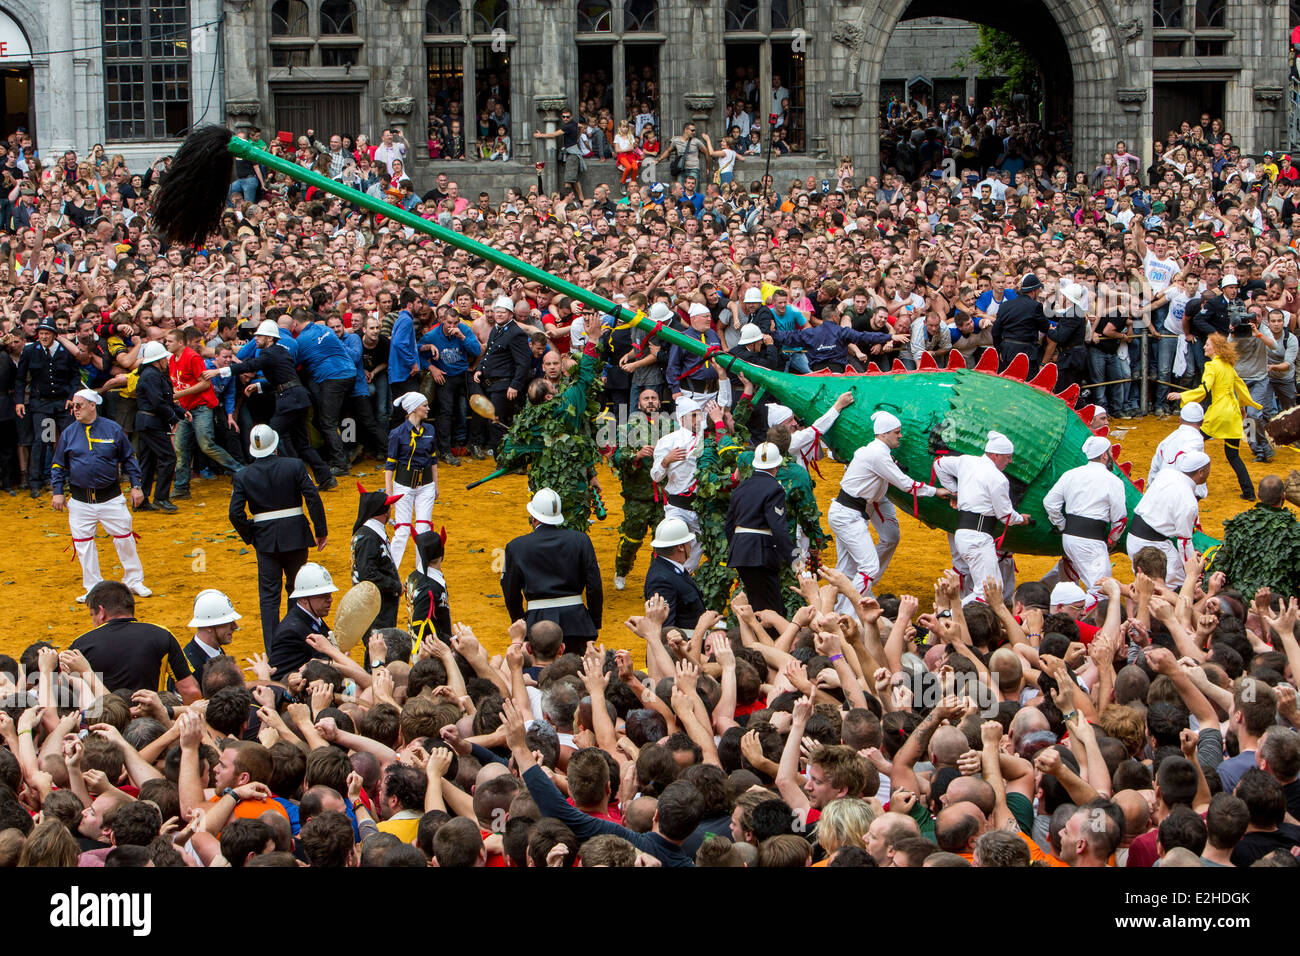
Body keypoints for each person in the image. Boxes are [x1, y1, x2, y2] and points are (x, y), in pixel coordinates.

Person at [828, 410, 948, 610]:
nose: (900, 436)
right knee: (868, 567)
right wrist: (935, 491)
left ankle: (836, 608)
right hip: (848, 515)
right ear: (883, 434)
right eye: (897, 432)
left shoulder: (876, 452)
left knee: (848, 568)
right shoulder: (877, 455)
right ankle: (847, 613)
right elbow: (906, 484)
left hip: (848, 512)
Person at [229, 424, 329, 654]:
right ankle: (299, 641)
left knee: (269, 597)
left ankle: (274, 649)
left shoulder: (243, 475)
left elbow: (235, 513)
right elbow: (312, 497)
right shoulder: (294, 465)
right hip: (296, 537)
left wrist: (251, 535)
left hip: (265, 541)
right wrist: (320, 529)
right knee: (298, 590)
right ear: (275, 446)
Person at [49, 388, 148, 602]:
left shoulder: (113, 429)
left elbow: (129, 458)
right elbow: (58, 465)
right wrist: (57, 492)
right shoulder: (68, 433)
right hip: (80, 501)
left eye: (79, 405)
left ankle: (134, 580)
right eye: (73, 406)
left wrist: (136, 485)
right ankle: (93, 587)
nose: (74, 409)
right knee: (83, 545)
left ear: (92, 406)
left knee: (125, 539)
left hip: (111, 498)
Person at [235, 320, 337, 491]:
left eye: (259, 335)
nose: (256, 338)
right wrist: (259, 386)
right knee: (302, 444)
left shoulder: (268, 354)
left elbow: (250, 365)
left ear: (268, 338)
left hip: (289, 400)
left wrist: (222, 371)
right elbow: (282, 380)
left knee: (271, 436)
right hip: (298, 398)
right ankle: (325, 476)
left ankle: (289, 477)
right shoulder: (279, 351)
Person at [932, 431, 1029, 604]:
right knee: (987, 591)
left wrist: (955, 491)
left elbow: (939, 464)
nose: (1010, 461)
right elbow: (1006, 516)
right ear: (995, 455)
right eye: (1008, 457)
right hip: (978, 538)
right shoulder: (998, 479)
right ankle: (947, 615)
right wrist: (1021, 519)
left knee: (992, 587)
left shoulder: (966, 461)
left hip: (965, 535)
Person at [500, 488, 603, 648]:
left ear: (533, 517)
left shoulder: (515, 547)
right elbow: (594, 585)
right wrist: (594, 620)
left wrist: (519, 621)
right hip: (577, 623)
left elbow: (510, 591)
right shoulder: (581, 540)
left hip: (536, 624)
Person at [69, 581, 200, 702]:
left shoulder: (80, 645)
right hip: (151, 723)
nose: (93, 621)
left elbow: (65, 699)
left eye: (92, 615)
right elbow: (190, 691)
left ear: (101, 612)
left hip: (102, 724)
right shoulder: (162, 635)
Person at [1169, 332, 1262, 500]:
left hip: (1218, 414)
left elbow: (1204, 389)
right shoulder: (1228, 366)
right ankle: (1249, 492)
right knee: (1233, 455)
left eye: (1208, 345)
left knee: (1189, 441)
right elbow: (1240, 388)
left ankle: (1179, 480)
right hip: (1232, 414)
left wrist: (1182, 396)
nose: (1204, 347)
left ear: (1216, 348)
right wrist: (1243, 409)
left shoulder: (1212, 367)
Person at [1042, 435, 1128, 601]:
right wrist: (1114, 539)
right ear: (1104, 455)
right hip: (1091, 542)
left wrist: (1062, 525)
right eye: (1110, 452)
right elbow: (1120, 517)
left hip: (1069, 539)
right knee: (1101, 592)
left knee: (1071, 586)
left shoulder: (1071, 474)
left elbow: (1050, 503)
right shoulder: (1113, 481)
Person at [725, 442, 797, 616]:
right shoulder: (774, 489)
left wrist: (739, 547)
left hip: (741, 552)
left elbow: (729, 526)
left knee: (758, 603)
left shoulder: (741, 487)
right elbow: (779, 529)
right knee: (770, 610)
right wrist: (796, 560)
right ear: (777, 466)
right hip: (760, 554)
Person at [611, 388, 670, 591]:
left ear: (659, 403)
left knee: (662, 541)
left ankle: (658, 579)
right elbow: (617, 458)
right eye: (646, 398)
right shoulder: (626, 428)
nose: (651, 401)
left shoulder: (670, 428)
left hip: (663, 497)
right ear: (638, 404)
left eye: (654, 398)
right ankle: (621, 571)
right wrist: (636, 455)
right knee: (631, 540)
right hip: (637, 496)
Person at [1125, 450, 1210, 587]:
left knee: (1145, 584)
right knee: (1177, 585)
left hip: (1134, 540)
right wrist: (1194, 572)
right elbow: (1183, 542)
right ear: (1201, 472)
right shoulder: (1189, 501)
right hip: (1154, 547)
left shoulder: (1167, 473)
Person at [14, 317, 79, 497]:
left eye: (46, 333)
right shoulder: (30, 352)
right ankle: (36, 480)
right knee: (43, 440)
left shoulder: (65, 351)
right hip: (43, 405)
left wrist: (71, 396)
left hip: (62, 403)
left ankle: (72, 478)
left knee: (68, 439)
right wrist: (19, 401)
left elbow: (75, 377)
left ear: (54, 335)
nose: (43, 337)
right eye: (41, 333)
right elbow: (20, 378)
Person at [1211, 474, 1300, 600]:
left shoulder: (1240, 523)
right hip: (1276, 602)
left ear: (1258, 495)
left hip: (1238, 600)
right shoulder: (1295, 531)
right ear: (1284, 496)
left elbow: (1220, 565)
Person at [651, 397, 708, 571]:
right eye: (693, 416)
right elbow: (656, 476)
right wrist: (666, 461)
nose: (698, 419)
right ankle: (662, 578)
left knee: (697, 549)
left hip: (701, 508)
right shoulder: (668, 441)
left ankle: (684, 579)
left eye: (699, 415)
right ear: (682, 419)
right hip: (677, 507)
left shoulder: (707, 438)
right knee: (671, 544)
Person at [385, 391, 438, 572]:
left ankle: (422, 570)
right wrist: (388, 491)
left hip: (426, 486)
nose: (428, 408)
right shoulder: (397, 433)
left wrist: (436, 486)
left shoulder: (430, 430)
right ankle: (391, 571)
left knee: (423, 529)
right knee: (402, 531)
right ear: (415, 409)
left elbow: (433, 460)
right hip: (404, 485)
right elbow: (390, 464)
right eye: (424, 405)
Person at [133, 339, 186, 513]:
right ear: (158, 360)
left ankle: (142, 499)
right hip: (152, 423)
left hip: (148, 422)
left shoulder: (150, 374)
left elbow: (164, 401)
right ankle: (161, 498)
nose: (166, 361)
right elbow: (158, 402)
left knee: (147, 462)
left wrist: (180, 411)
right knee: (168, 458)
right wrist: (174, 418)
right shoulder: (152, 375)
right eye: (164, 359)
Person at [475, 295, 532, 448]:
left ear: (510, 314)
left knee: (498, 422)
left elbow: (524, 362)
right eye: (497, 311)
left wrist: (515, 384)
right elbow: (489, 353)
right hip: (492, 384)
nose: (499, 314)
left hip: (504, 386)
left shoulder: (516, 333)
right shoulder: (496, 330)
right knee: (494, 422)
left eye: (503, 312)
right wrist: (480, 369)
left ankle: (504, 458)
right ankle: (502, 457)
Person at [269, 562, 339, 681]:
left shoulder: (313, 617)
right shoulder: (291, 632)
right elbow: (278, 679)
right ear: (303, 599)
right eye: (323, 595)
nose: (330, 599)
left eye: (330, 594)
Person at [350, 482, 404, 631]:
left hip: (376, 606)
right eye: (389, 508)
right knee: (378, 646)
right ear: (384, 512)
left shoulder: (370, 533)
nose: (391, 511)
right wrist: (396, 586)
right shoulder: (370, 538)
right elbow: (368, 574)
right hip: (376, 609)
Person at [642, 516, 706, 634]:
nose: (690, 546)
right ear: (680, 547)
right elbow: (665, 631)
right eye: (688, 542)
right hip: (683, 648)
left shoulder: (672, 569)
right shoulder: (661, 579)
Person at [178, 589, 242, 689]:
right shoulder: (189, 668)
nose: (235, 626)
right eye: (227, 622)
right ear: (208, 627)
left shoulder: (215, 650)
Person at [991, 274, 1050, 377]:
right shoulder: (1035, 306)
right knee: (1026, 387)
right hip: (1026, 352)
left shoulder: (1005, 305)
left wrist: (1000, 349)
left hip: (1008, 351)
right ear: (1034, 291)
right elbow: (1044, 327)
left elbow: (995, 331)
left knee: (1009, 384)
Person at [406, 528, 452, 654]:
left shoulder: (413, 576)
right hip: (430, 651)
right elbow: (422, 625)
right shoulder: (431, 588)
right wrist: (449, 641)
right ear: (442, 554)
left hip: (418, 645)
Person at [1148, 402, 1206, 487]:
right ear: (1202, 422)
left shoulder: (1167, 440)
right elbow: (1197, 473)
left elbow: (1154, 468)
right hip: (1180, 490)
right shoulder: (1197, 441)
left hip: (1160, 488)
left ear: (1180, 420)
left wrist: (1151, 489)